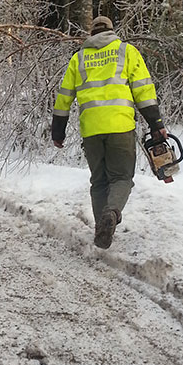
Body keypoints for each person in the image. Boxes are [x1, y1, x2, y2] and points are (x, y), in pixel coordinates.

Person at [52, 15, 168, 249]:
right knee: (122, 177)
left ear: (92, 33)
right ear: (111, 31)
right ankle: (112, 214)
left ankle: (101, 230)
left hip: (92, 129)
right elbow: (143, 91)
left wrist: (58, 131)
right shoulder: (126, 51)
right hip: (120, 126)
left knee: (99, 182)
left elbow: (64, 98)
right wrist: (156, 124)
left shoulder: (79, 58)